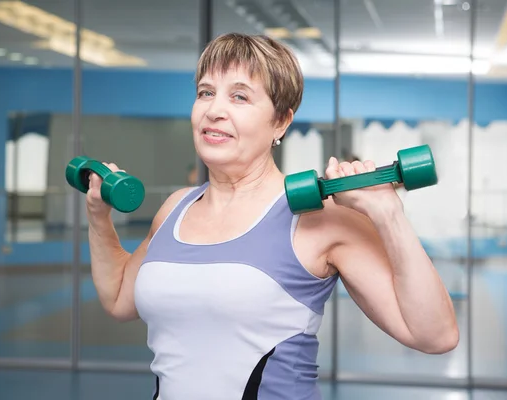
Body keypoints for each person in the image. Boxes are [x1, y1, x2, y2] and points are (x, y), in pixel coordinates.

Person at [85, 33, 459, 400]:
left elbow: (435, 335)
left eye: (240, 96)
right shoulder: (175, 208)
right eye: (205, 92)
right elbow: (120, 299)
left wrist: (387, 215)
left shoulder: (320, 218)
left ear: (281, 121)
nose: (215, 109)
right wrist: (98, 215)